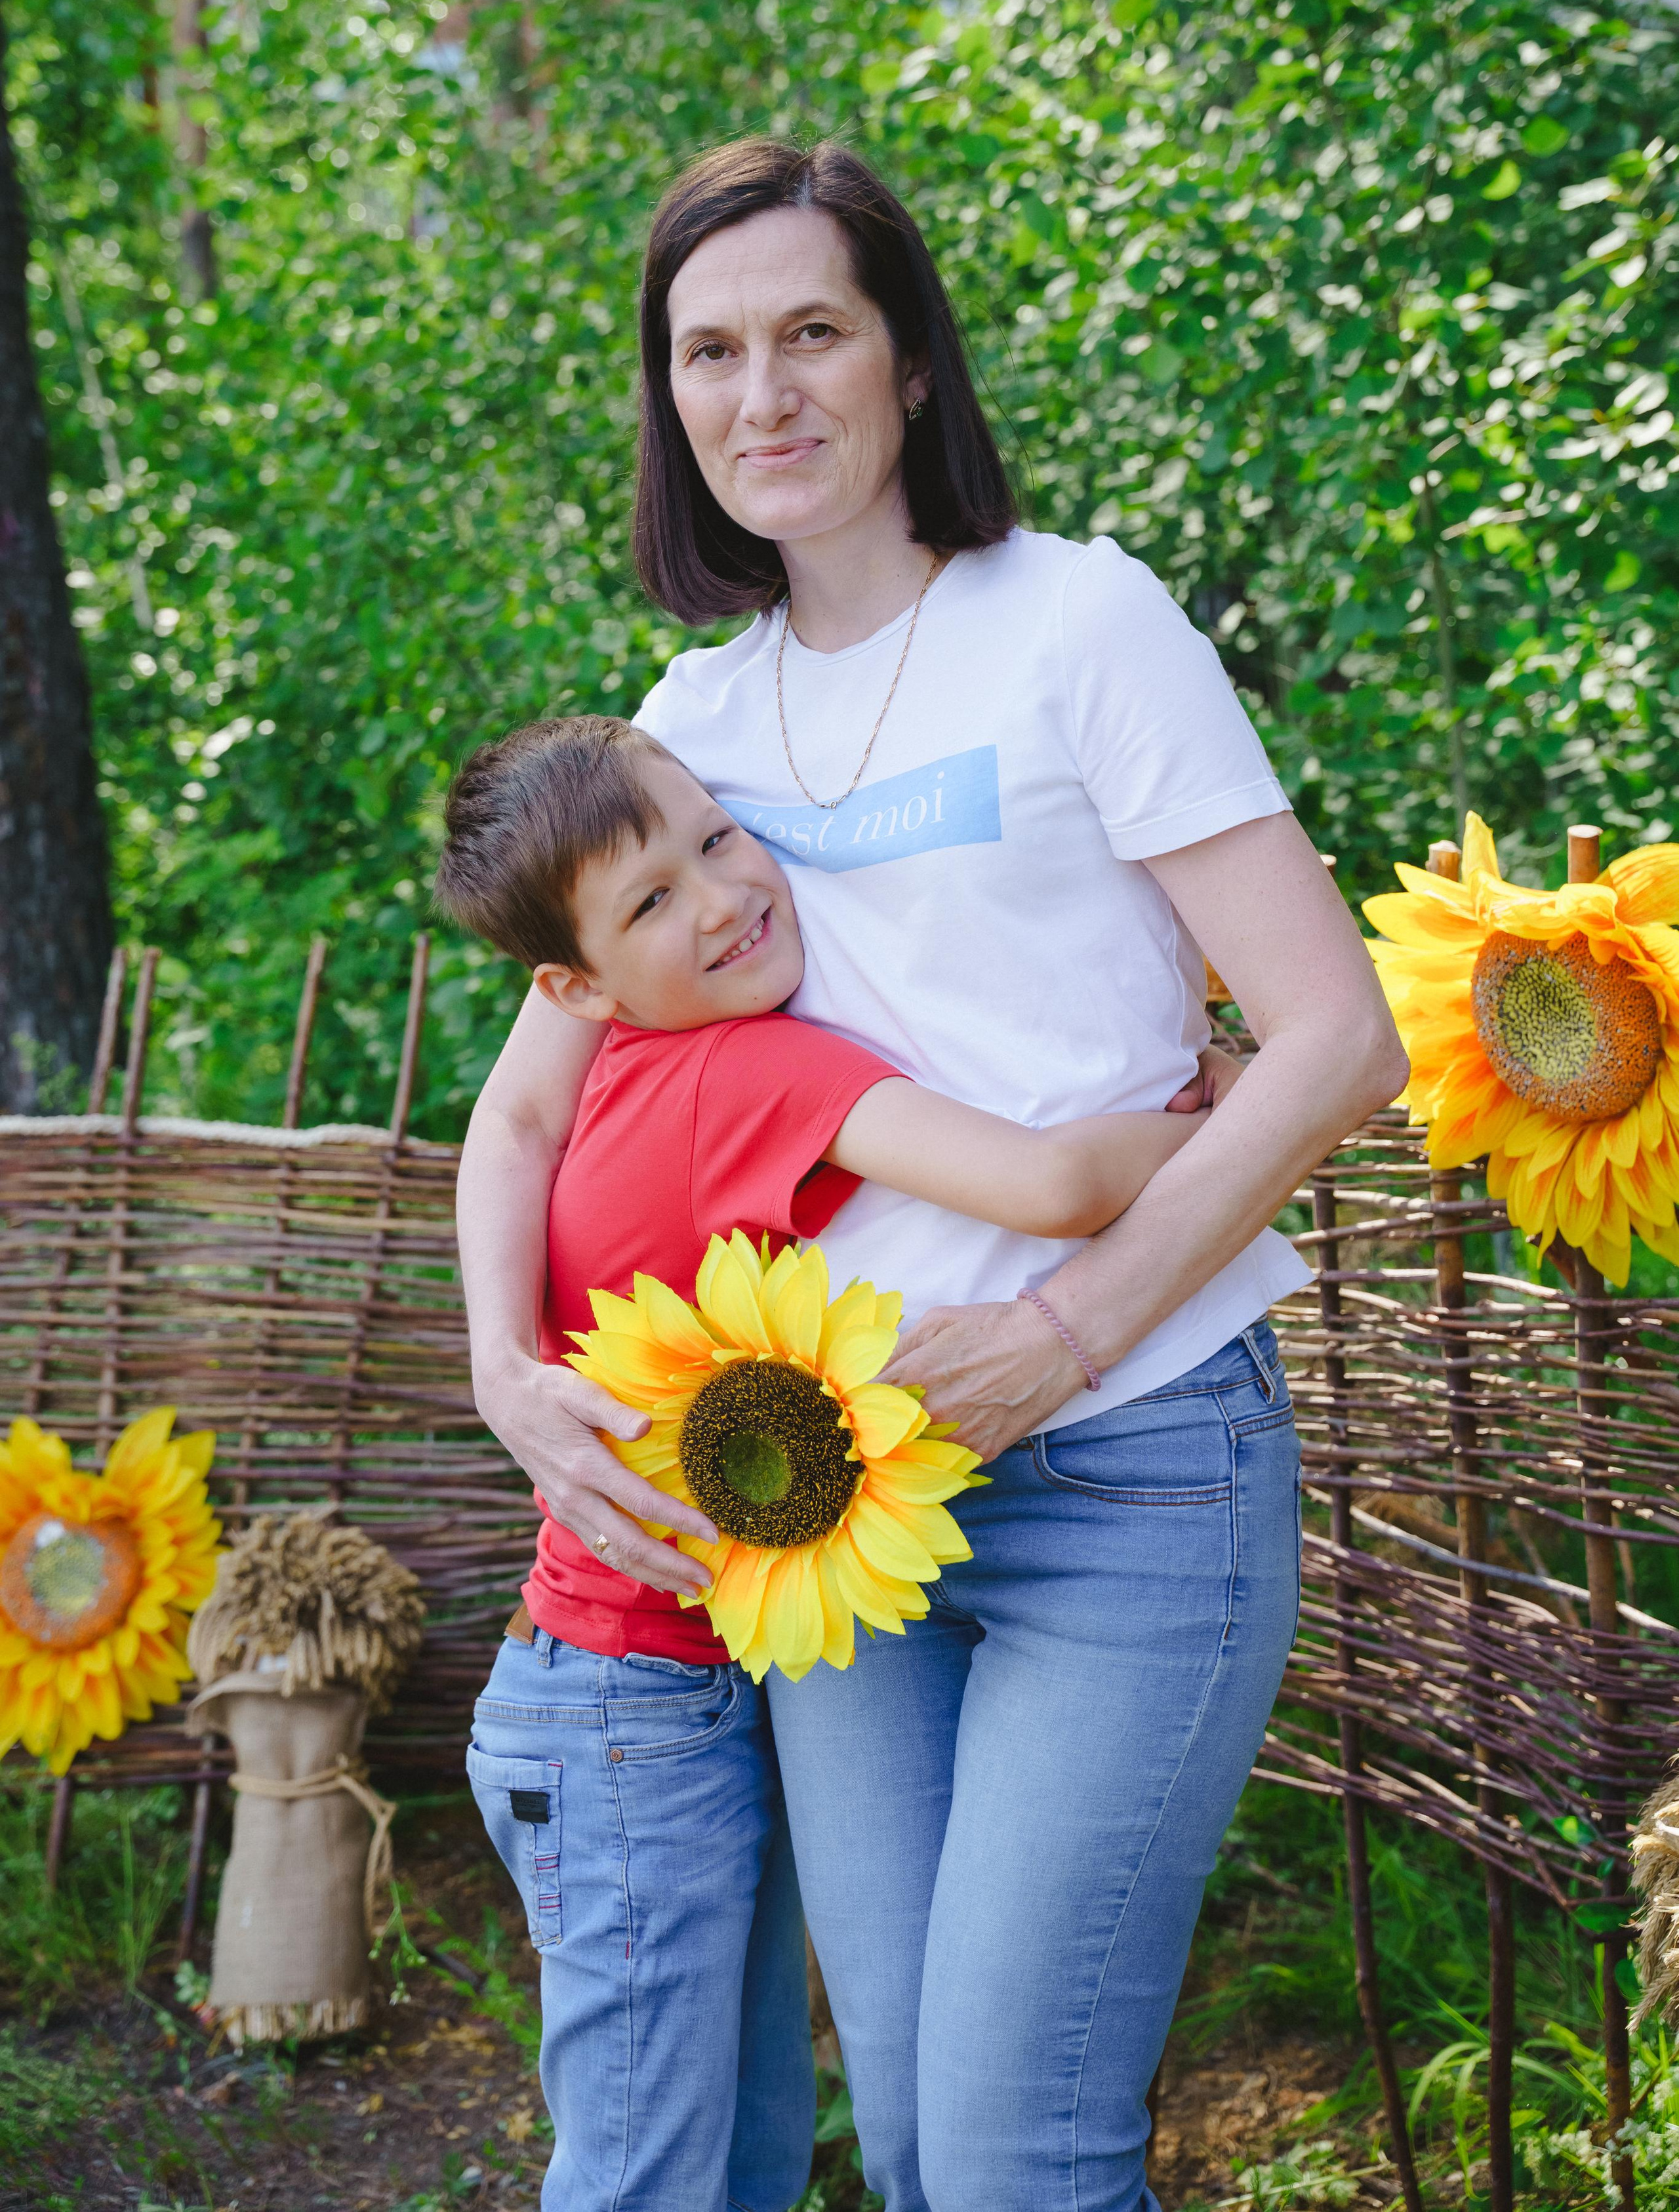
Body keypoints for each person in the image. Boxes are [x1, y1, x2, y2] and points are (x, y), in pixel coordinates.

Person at [454, 138, 1408, 2212]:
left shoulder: (1078, 621)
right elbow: (522, 1109)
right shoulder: (689, 720)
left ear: (906, 361)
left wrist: (1060, 1335)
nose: (764, 392)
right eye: (711, 351)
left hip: (1134, 1471)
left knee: (1009, 2159)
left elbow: (1337, 1040)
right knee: (906, 2132)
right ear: (671, 402)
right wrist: (505, 1378)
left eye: (814, 331)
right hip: (846, 1510)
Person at [435, 710, 1215, 2212]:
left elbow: (513, 1113)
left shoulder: (612, 1065)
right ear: (575, 985)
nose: (721, 900)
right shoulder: (747, 1072)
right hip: (632, 1711)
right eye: (651, 902)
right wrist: (1222, 1109)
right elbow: (1050, 1183)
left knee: (735, 2159)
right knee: (658, 2178)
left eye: (716, 842)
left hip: (637, 1691)